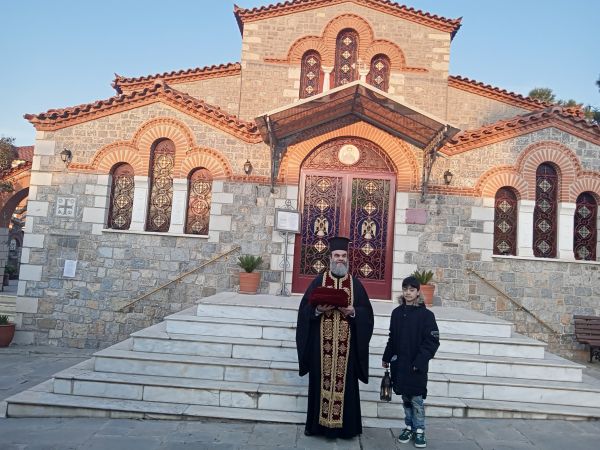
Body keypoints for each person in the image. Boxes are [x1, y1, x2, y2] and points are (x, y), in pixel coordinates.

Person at [296, 236, 374, 439]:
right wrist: (318, 310)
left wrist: (353, 312)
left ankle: (345, 430)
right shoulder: (318, 282)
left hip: (346, 352)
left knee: (345, 387)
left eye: (343, 256)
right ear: (330, 258)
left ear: (348, 258)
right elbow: (304, 312)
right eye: (337, 255)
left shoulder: (355, 284)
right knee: (319, 385)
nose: (340, 259)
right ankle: (318, 427)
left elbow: (367, 315)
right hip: (321, 350)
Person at [382, 276, 440, 448]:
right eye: (405, 289)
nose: (408, 293)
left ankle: (419, 430)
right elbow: (392, 338)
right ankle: (409, 427)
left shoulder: (426, 315)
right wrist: (387, 357)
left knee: (417, 400)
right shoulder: (397, 313)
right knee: (406, 398)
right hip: (400, 365)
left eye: (412, 290)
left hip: (417, 366)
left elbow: (432, 341)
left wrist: (419, 362)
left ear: (418, 292)